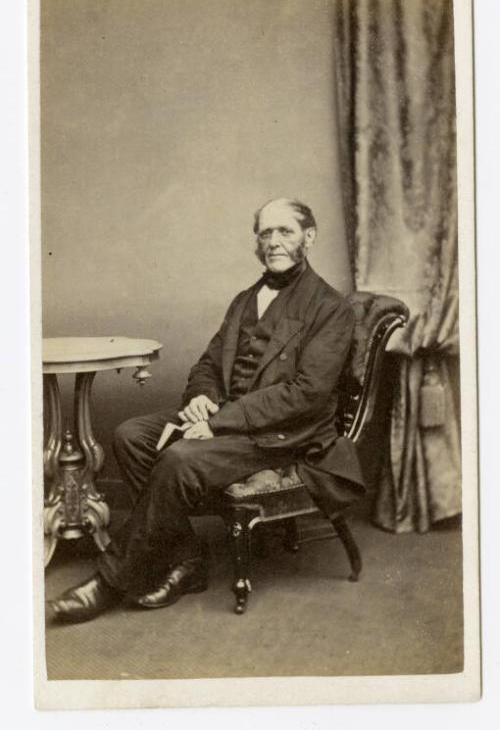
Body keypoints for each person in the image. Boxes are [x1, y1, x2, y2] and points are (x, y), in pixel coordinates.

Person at [49, 197, 365, 624]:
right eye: (265, 232)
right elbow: (209, 365)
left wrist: (215, 424)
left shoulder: (330, 309)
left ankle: (111, 580)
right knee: (130, 436)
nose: (273, 242)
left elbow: (305, 395)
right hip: (230, 423)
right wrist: (200, 397)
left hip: (283, 438)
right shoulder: (245, 299)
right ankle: (187, 560)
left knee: (180, 458)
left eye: (284, 231)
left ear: (309, 237)